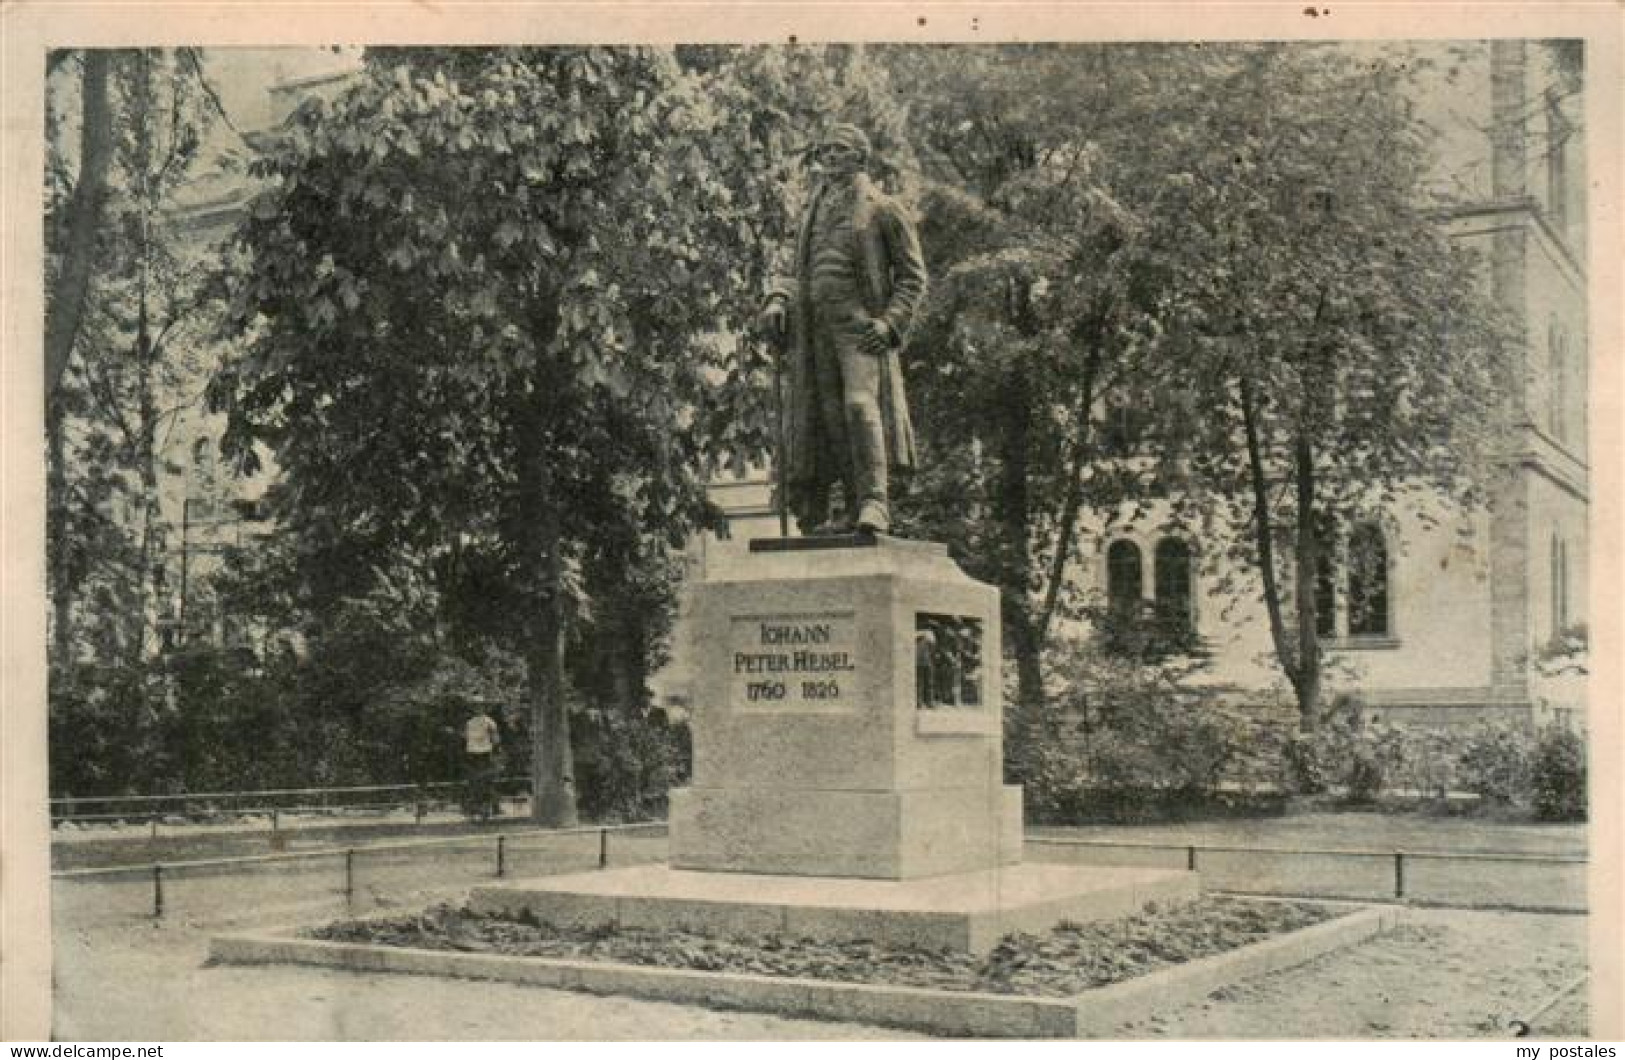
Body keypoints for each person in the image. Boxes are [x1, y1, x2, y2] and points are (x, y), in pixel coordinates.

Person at [760, 123, 927, 536]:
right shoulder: (809, 214)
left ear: (859, 157)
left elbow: (913, 277)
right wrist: (778, 299)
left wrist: (889, 324)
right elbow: (793, 272)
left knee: (858, 406)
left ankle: (875, 502)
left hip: (860, 330)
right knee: (827, 419)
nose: (829, 158)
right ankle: (847, 507)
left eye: (838, 150)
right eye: (825, 151)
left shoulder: (883, 208)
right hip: (815, 333)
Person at [463, 706, 501, 821]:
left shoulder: (485, 722)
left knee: (479, 781)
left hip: (480, 754)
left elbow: (495, 739)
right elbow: (496, 740)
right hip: (478, 754)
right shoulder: (482, 722)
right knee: (482, 781)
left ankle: (483, 809)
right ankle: (482, 808)